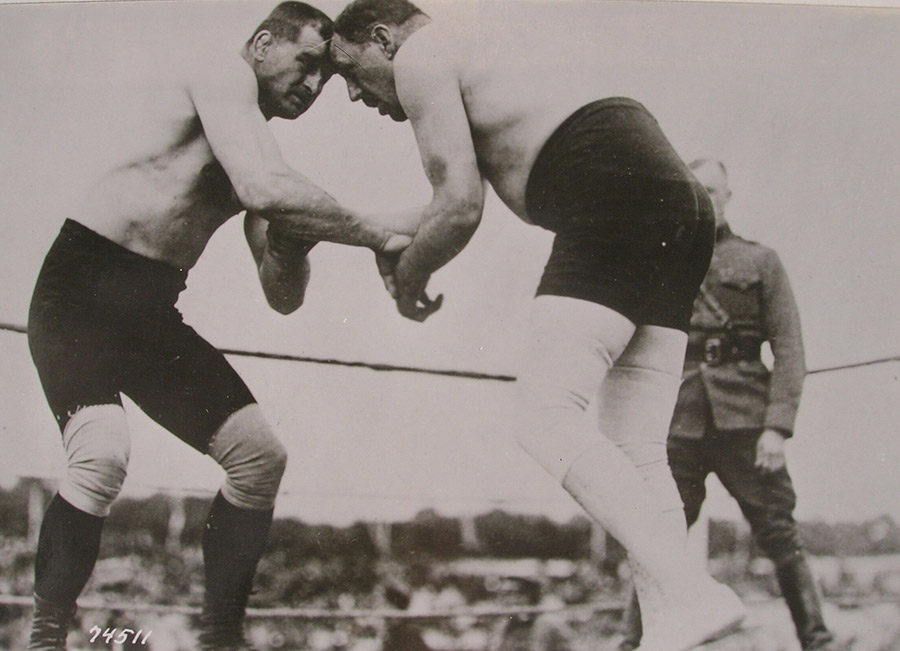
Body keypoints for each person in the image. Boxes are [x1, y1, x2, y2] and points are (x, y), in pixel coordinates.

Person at [328, 1, 745, 649]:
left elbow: (461, 208)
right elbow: (450, 203)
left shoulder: (420, 56)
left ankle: (689, 591)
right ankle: (673, 616)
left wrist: (408, 276)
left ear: (383, 37)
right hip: (673, 197)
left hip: (613, 193)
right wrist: (389, 241)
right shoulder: (483, 45)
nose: (355, 96)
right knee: (636, 446)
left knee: (545, 415)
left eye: (351, 73)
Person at [25, 3, 412, 649]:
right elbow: (266, 189)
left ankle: (221, 636)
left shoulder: (257, 152)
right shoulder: (221, 78)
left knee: (260, 458)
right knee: (101, 454)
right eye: (306, 65)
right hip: (79, 294)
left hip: (149, 315)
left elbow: (280, 296)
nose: (313, 88)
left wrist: (291, 249)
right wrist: (377, 234)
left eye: (325, 77)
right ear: (262, 45)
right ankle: (44, 636)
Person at [619, 159, 836, 650]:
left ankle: (818, 642)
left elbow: (789, 348)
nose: (706, 200)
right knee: (656, 539)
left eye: (713, 191)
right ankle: (630, 644)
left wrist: (777, 428)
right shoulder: (658, 261)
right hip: (679, 423)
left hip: (747, 421)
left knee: (780, 535)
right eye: (696, 191)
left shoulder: (761, 262)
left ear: (729, 195)